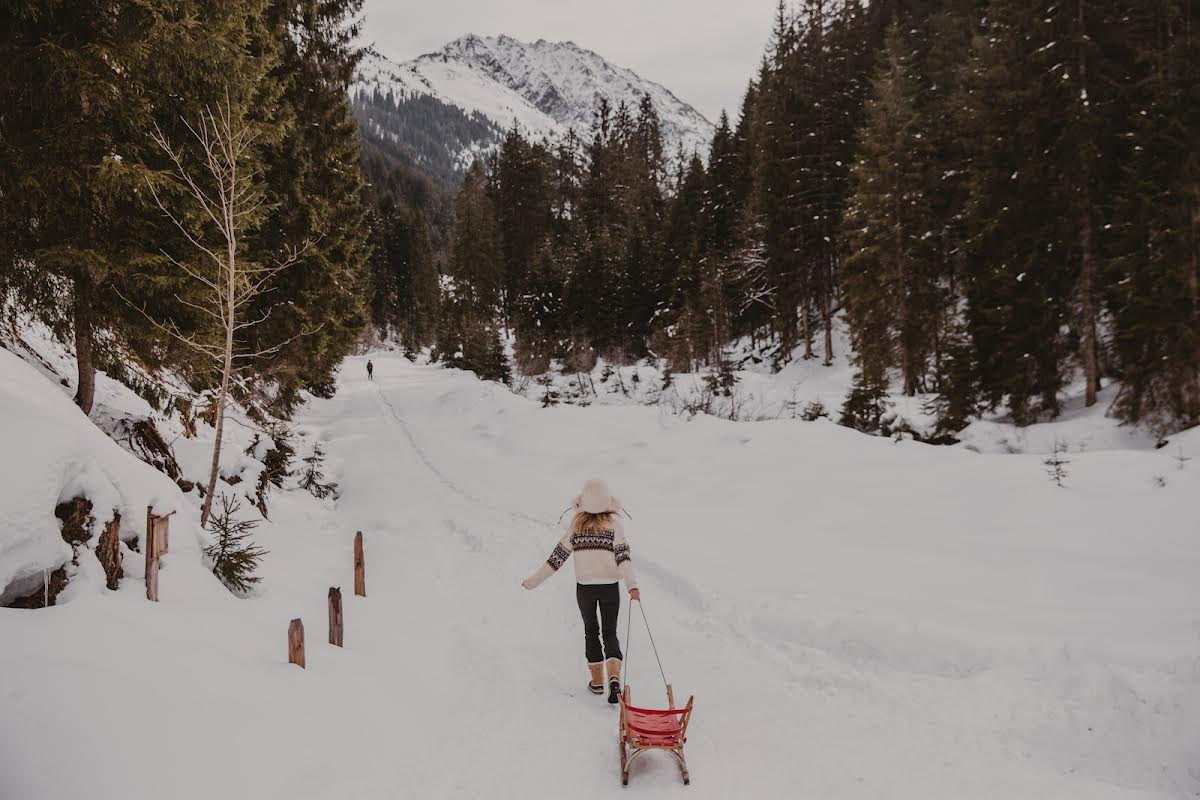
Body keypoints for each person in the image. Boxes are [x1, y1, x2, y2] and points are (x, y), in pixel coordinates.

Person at [523, 479, 639, 703]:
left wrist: (532, 581)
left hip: (585, 588)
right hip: (610, 588)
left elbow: (557, 558)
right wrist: (632, 586)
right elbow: (624, 559)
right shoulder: (614, 526)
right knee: (610, 632)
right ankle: (614, 678)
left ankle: (597, 683)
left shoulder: (577, 527)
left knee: (591, 631)